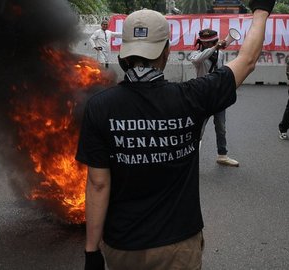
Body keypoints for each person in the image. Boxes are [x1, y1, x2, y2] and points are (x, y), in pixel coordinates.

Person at [77, 1, 275, 269]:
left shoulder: (99, 107)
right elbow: (247, 60)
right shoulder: (192, 98)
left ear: (124, 52)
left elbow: (98, 185)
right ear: (166, 52)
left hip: (123, 245)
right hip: (178, 244)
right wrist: (261, 11)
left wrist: (91, 251)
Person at [189, 29, 239, 167]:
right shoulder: (196, 54)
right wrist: (215, 47)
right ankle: (191, 157)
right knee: (199, 128)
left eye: (211, 42)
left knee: (221, 126)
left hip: (217, 95)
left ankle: (222, 155)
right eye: (205, 43)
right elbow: (199, 59)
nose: (208, 44)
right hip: (202, 95)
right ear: (201, 43)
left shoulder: (220, 54)